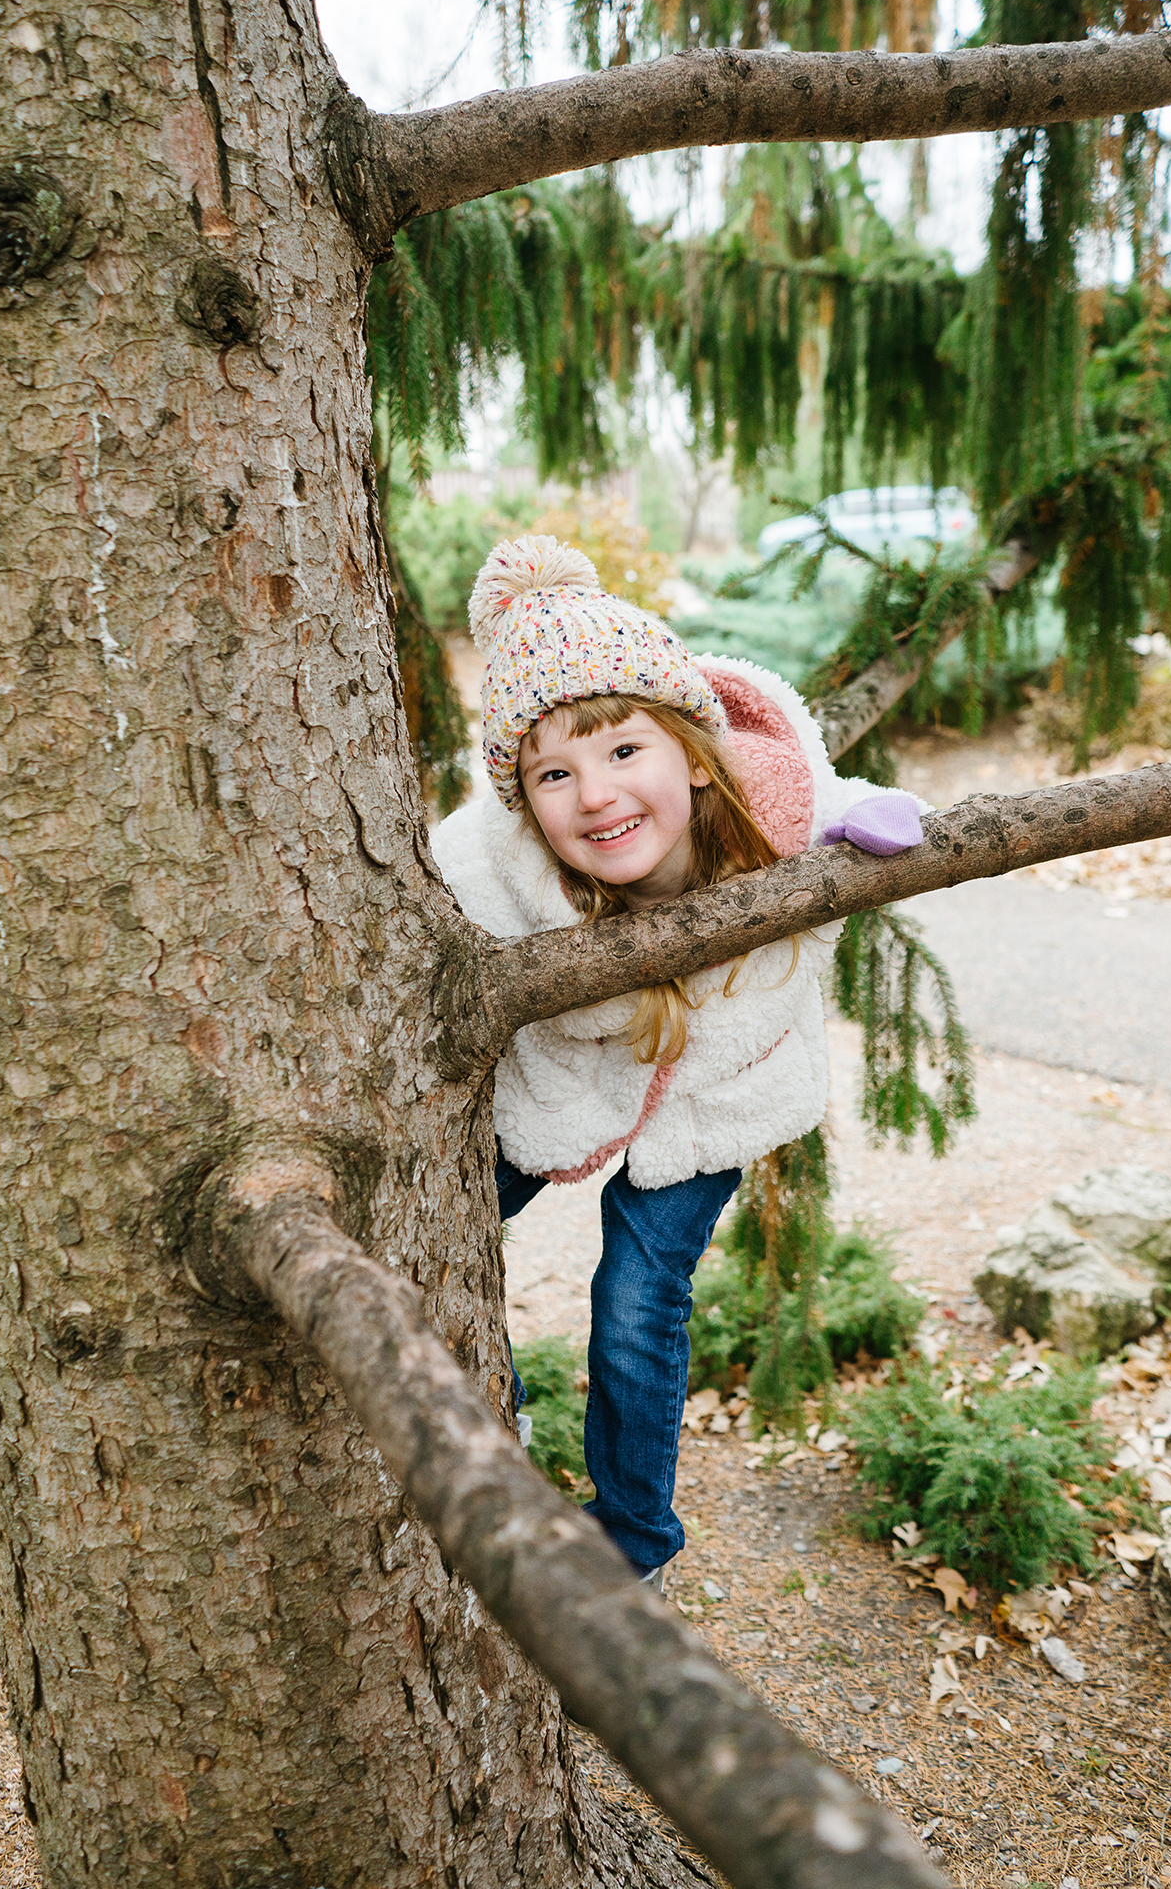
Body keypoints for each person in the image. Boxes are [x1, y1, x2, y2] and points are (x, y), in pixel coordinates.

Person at [431, 535, 925, 1587]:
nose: (596, 794)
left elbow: (839, 805)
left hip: (717, 1082)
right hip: (576, 1072)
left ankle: (636, 1541)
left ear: (694, 752)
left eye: (621, 751)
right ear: (524, 803)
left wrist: (881, 824)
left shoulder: (768, 805)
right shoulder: (502, 866)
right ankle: (494, 1416)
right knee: (433, 1215)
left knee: (638, 1293)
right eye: (553, 773)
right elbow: (445, 866)